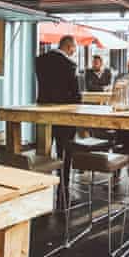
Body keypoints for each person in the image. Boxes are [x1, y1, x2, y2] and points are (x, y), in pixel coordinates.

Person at [35, 35, 82, 206]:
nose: (74, 52)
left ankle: (41, 187)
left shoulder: (39, 61)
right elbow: (76, 95)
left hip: (43, 111)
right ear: (69, 47)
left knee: (43, 150)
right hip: (65, 114)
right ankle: (64, 187)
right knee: (65, 151)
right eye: (74, 49)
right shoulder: (70, 65)